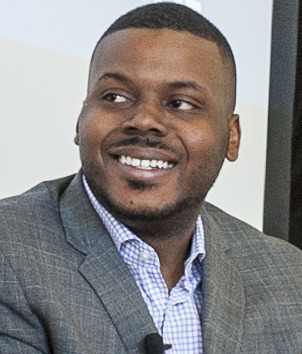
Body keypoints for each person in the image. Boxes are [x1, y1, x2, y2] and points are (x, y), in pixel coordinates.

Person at [1, 2, 302, 354]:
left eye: (181, 103)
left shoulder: (290, 277)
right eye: (114, 97)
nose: (144, 121)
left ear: (231, 137)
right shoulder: (10, 251)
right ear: (80, 121)